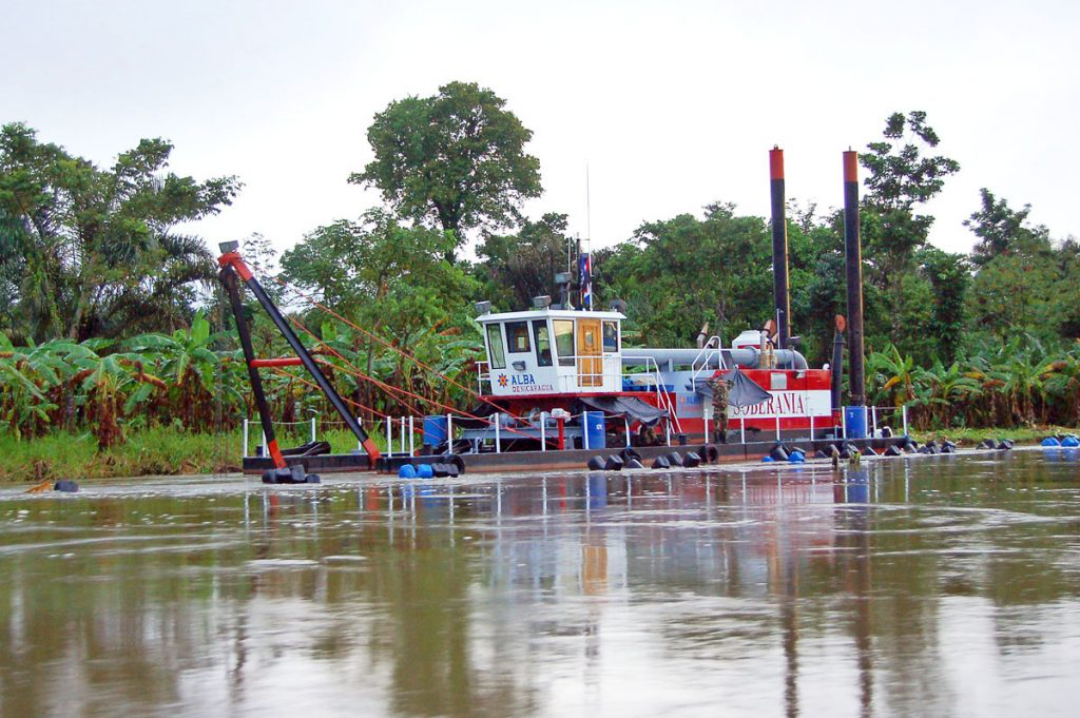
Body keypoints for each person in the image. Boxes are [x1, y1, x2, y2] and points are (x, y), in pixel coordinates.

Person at [705, 372, 730, 443]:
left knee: (725, 426)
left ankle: (724, 440)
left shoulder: (726, 389)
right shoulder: (716, 388)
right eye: (719, 382)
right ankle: (716, 440)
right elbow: (709, 384)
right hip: (717, 409)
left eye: (721, 382)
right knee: (716, 426)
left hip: (724, 409)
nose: (720, 383)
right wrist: (710, 379)